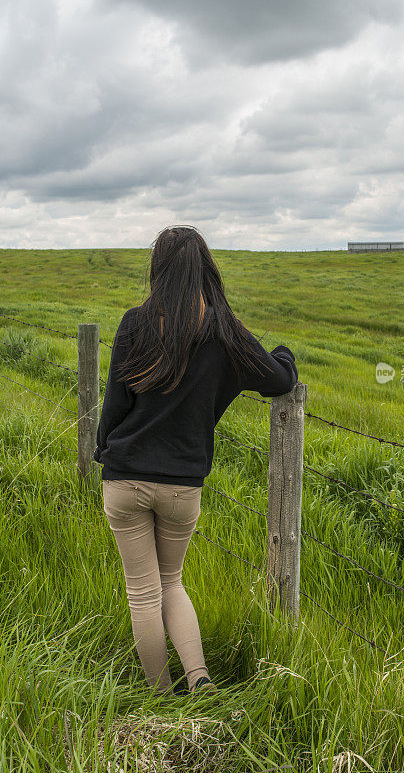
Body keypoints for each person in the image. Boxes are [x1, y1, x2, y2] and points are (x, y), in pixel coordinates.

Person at [93, 225, 298, 697]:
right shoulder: (224, 330)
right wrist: (284, 354)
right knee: (173, 583)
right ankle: (200, 679)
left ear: (158, 271)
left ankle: (163, 696)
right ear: (206, 269)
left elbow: (114, 408)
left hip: (125, 479)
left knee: (143, 593)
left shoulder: (135, 324)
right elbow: (277, 379)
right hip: (183, 485)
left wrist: (105, 450)